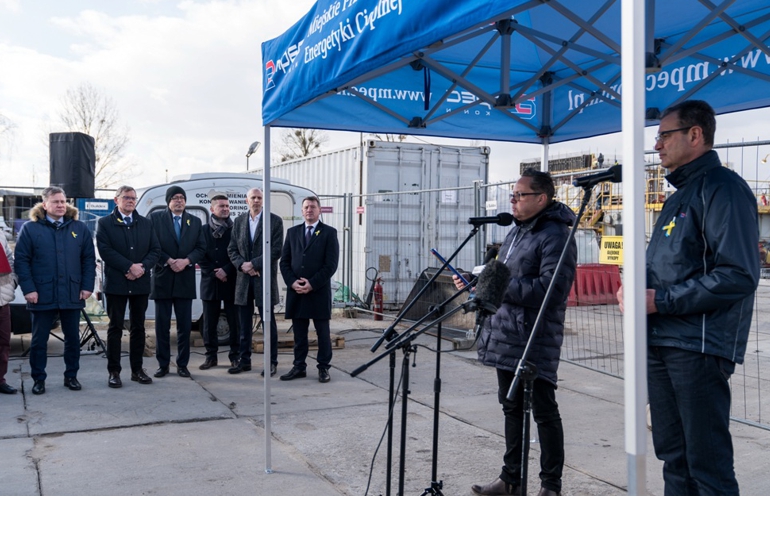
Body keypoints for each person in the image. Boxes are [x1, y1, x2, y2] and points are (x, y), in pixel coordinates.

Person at [617, 99, 759, 495]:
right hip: (662, 340)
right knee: (674, 458)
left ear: (695, 135)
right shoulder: (680, 194)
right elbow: (675, 263)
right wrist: (634, 288)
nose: (657, 145)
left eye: (664, 135)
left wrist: (660, 301)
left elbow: (738, 274)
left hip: (697, 346)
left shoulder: (723, 189)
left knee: (706, 464)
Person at [454, 169, 576, 496]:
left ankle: (550, 486)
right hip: (505, 332)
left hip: (534, 337)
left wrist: (498, 286)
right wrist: (476, 280)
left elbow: (551, 289)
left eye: (520, 195)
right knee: (511, 407)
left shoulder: (556, 236)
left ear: (542, 198)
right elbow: (502, 274)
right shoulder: (516, 232)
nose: (513, 201)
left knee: (543, 411)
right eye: (513, 195)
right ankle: (510, 478)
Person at [15, 186, 96, 395]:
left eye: (63, 201)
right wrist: (29, 289)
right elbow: (21, 261)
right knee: (39, 341)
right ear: (45, 204)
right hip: (41, 293)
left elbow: (88, 260)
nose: (61, 205)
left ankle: (71, 376)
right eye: (56, 202)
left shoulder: (79, 228)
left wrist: (87, 286)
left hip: (72, 291)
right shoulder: (30, 229)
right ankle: (38, 379)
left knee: (72, 339)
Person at [96, 185, 161, 388]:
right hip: (117, 283)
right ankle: (114, 371)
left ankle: (137, 370)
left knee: (138, 327)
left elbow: (155, 250)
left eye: (133, 198)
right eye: (126, 197)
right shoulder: (105, 223)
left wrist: (142, 267)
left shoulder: (146, 223)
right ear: (116, 200)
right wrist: (128, 266)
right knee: (115, 328)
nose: (131, 200)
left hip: (140, 282)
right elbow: (105, 251)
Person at [279, 196, 338, 383]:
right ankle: (299, 367)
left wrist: (312, 284)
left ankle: (323, 368)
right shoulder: (293, 232)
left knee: (323, 333)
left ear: (319, 210)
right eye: (306, 207)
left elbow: (331, 265)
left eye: (313, 207)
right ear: (302, 211)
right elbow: (284, 262)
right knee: (299, 334)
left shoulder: (329, 233)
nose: (309, 210)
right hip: (297, 291)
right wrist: (292, 282)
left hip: (318, 291)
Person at [149, 185, 206, 379]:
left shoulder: (195, 222)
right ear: (168, 201)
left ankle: (182, 365)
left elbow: (201, 248)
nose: (179, 201)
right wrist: (168, 260)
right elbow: (152, 245)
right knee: (162, 326)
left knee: (184, 327)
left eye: (182, 197)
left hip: (184, 279)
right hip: (163, 278)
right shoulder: (156, 219)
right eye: (175, 198)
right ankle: (163, 365)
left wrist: (186, 261)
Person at [227, 188, 283, 376]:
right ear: (247, 200)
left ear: (263, 200)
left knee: (268, 323)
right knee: (244, 325)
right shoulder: (239, 221)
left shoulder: (274, 221)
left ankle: (271, 362)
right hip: (244, 280)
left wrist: (254, 264)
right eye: (253, 197)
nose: (257, 200)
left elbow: (276, 250)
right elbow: (232, 249)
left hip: (263, 279)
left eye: (259, 198)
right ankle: (244, 361)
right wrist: (242, 265)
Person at [199, 194, 239, 370]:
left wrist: (226, 270)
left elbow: (240, 252)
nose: (225, 209)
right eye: (221, 206)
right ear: (212, 209)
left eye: (227, 206)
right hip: (210, 281)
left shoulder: (236, 229)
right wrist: (214, 272)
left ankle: (235, 357)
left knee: (235, 322)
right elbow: (199, 253)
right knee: (209, 323)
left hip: (231, 280)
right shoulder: (203, 230)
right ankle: (211, 357)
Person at [0, 231, 17, 394]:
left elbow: (10, 259)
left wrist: (13, 282)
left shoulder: (0, 234)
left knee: (4, 342)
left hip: (2, 299)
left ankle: (0, 380)